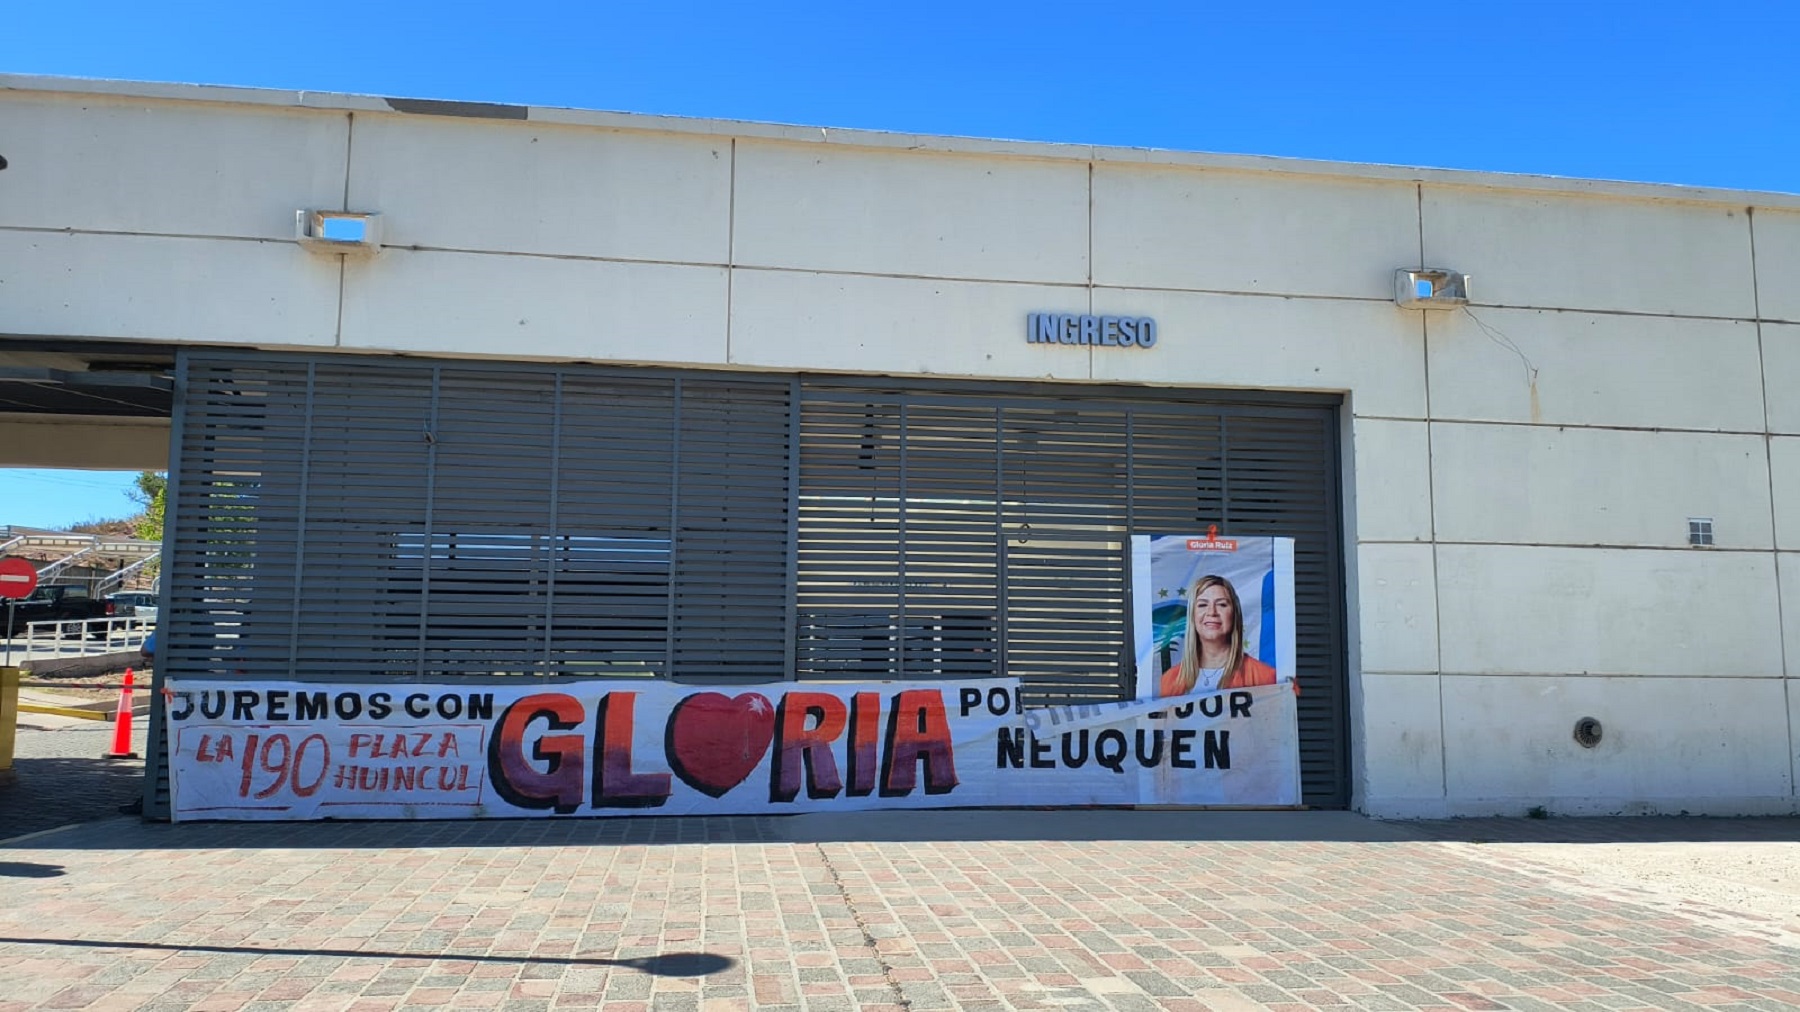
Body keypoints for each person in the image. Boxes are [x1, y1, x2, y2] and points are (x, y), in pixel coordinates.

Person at [1158, 574, 1278, 697]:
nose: (1212, 612)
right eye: (1203, 605)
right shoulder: (1169, 680)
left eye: (1221, 604)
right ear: (1192, 616)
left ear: (1234, 614)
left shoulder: (1266, 677)